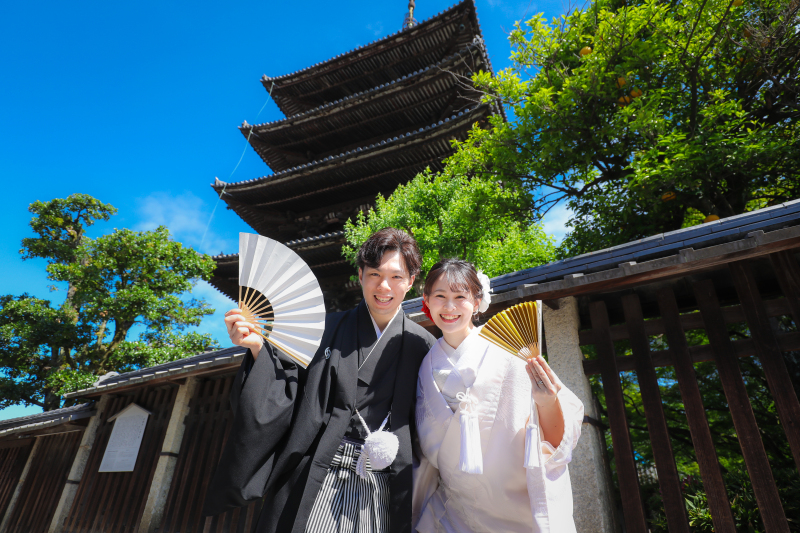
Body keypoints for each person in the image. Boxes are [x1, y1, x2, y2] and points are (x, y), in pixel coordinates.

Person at [203, 228, 436, 533]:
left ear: (412, 280)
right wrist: (258, 348)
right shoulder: (323, 329)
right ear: (360, 273)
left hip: (382, 478)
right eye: (375, 274)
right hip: (317, 471)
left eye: (396, 276)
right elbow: (286, 389)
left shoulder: (423, 345)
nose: (384, 286)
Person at [413, 259, 584, 533]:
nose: (449, 307)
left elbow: (556, 439)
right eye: (440, 296)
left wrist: (547, 401)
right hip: (460, 508)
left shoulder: (508, 349)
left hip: (519, 502)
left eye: (460, 297)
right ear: (426, 299)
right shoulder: (425, 365)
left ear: (477, 300)